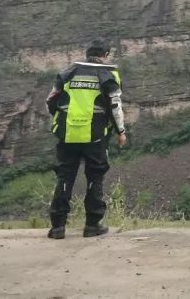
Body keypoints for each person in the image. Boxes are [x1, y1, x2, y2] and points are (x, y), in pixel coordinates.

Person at [45, 39, 127, 239]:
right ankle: (92, 225)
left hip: (68, 134)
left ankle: (58, 227)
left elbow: (51, 99)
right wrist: (121, 131)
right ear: (105, 55)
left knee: (65, 177)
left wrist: (61, 120)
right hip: (96, 136)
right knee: (95, 177)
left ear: (87, 53)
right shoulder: (108, 74)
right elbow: (115, 106)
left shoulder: (68, 72)